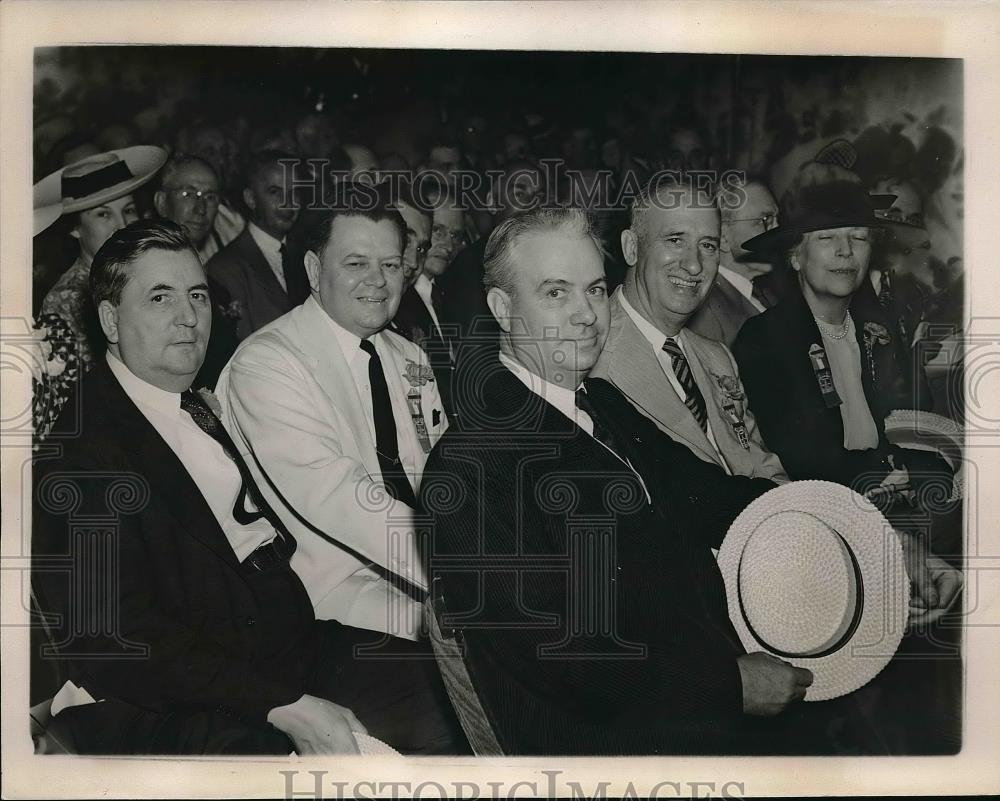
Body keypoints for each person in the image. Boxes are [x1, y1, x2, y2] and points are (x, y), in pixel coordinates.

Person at [423, 206, 959, 755]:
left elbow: (718, 498)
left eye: (595, 288)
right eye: (556, 293)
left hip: (692, 693)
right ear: (502, 308)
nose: (587, 314)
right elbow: (565, 660)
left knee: (884, 707)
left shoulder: (598, 402)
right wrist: (728, 686)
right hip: (620, 747)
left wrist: (882, 544)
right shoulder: (471, 465)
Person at [32, 219, 463, 755]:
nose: (188, 317)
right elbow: (116, 639)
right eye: (160, 298)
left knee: (456, 698)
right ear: (110, 321)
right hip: (189, 694)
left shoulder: (192, 405)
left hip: (290, 641)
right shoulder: (82, 451)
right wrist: (281, 702)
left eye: (197, 295)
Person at [216, 193, 447, 639]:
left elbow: (445, 472)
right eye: (356, 264)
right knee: (475, 636)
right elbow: (340, 499)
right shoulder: (267, 363)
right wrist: (462, 570)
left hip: (413, 566)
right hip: (327, 586)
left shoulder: (407, 356)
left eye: (391, 265)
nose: (378, 282)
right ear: (314, 271)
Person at [732, 178, 949, 495]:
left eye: (858, 238)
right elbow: (794, 455)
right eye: (826, 238)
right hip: (819, 508)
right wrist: (877, 478)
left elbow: (918, 425)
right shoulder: (765, 338)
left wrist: (912, 477)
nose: (845, 251)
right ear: (795, 257)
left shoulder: (881, 331)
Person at [591, 179, 787, 482]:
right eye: (675, 240)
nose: (694, 265)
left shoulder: (716, 357)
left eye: (707, 245)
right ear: (631, 248)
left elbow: (760, 465)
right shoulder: (592, 356)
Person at [36, 146, 167, 370]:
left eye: (128, 210)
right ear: (75, 228)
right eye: (103, 214)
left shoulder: (150, 273)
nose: (122, 225)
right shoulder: (66, 301)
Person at [206, 150, 309, 341]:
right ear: (251, 199)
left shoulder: (307, 256)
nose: (288, 203)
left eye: (294, 192)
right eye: (275, 192)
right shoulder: (225, 269)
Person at [688, 176, 782, 346]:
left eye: (777, 220)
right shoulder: (705, 311)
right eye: (765, 220)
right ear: (722, 236)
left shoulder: (770, 294)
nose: (777, 232)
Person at [153, 155, 226, 263]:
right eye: (188, 194)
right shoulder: (149, 266)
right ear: (162, 203)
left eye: (210, 197)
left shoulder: (219, 264)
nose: (201, 209)